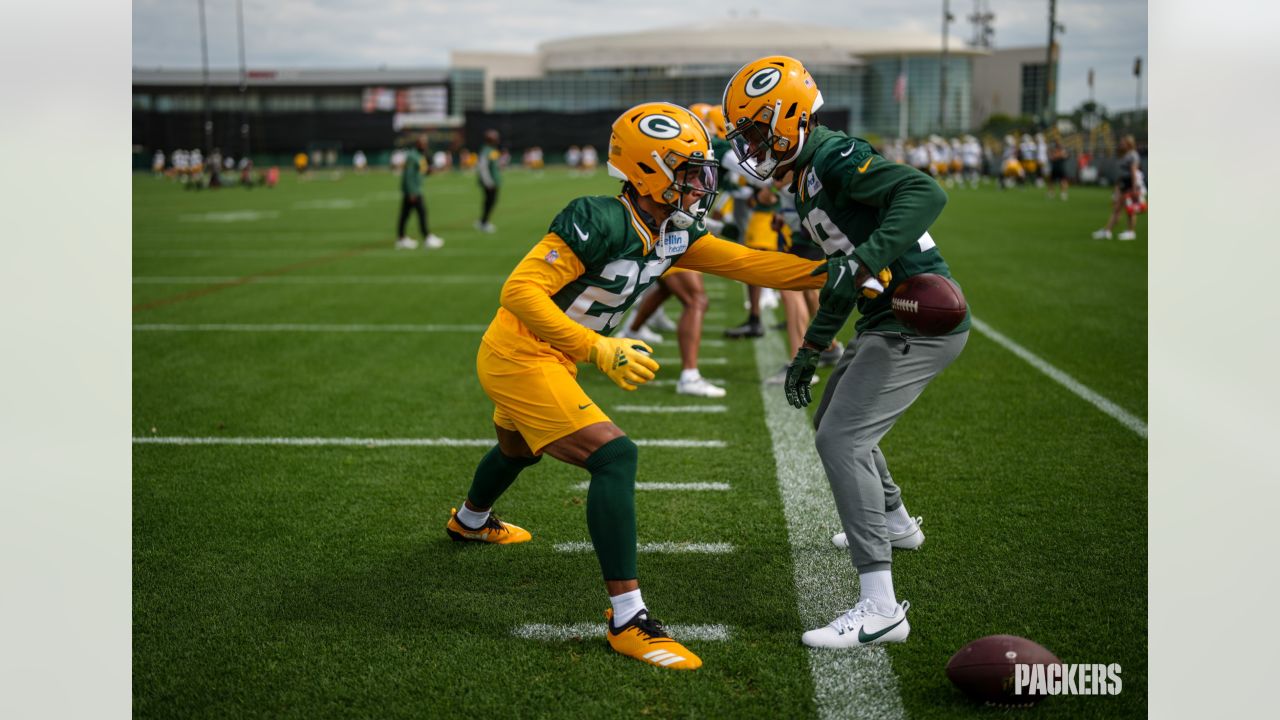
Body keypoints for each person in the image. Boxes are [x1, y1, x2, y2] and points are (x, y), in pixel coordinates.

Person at [444, 102, 826, 670]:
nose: (700, 184)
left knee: (517, 448)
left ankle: (469, 521)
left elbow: (750, 263)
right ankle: (628, 619)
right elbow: (519, 292)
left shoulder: (672, 231)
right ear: (648, 169)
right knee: (615, 457)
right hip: (520, 353)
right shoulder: (597, 217)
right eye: (688, 171)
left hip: (549, 356)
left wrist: (842, 271)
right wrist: (597, 347)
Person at [723, 55, 969, 649]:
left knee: (842, 440)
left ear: (787, 119)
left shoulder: (832, 156)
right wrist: (810, 350)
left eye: (757, 130)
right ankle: (895, 522)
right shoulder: (804, 179)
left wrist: (866, 259)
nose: (751, 144)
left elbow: (924, 192)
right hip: (883, 318)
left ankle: (882, 608)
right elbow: (840, 281)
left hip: (918, 318)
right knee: (835, 417)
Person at [396, 135, 445, 250]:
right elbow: (408, 175)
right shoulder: (412, 156)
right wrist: (411, 192)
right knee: (421, 213)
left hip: (415, 190)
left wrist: (431, 171)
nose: (425, 146)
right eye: (423, 144)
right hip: (414, 191)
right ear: (418, 144)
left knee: (405, 215)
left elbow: (423, 171)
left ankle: (401, 238)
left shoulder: (420, 156)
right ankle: (426, 238)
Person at [1092, 136, 1143, 241]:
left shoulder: (1132, 155)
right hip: (1123, 183)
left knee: (1129, 210)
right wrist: (1117, 187)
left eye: (1123, 142)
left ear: (1129, 143)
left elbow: (1133, 172)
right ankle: (1108, 231)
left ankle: (1129, 232)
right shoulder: (1125, 155)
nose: (1121, 144)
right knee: (1117, 209)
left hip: (1129, 184)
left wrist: (1134, 188)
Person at [476, 129, 501, 233]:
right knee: (489, 202)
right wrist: (488, 182)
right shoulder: (486, 150)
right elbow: (483, 167)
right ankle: (484, 222)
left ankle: (483, 221)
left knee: (491, 201)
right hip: (489, 182)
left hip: (493, 181)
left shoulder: (492, 150)